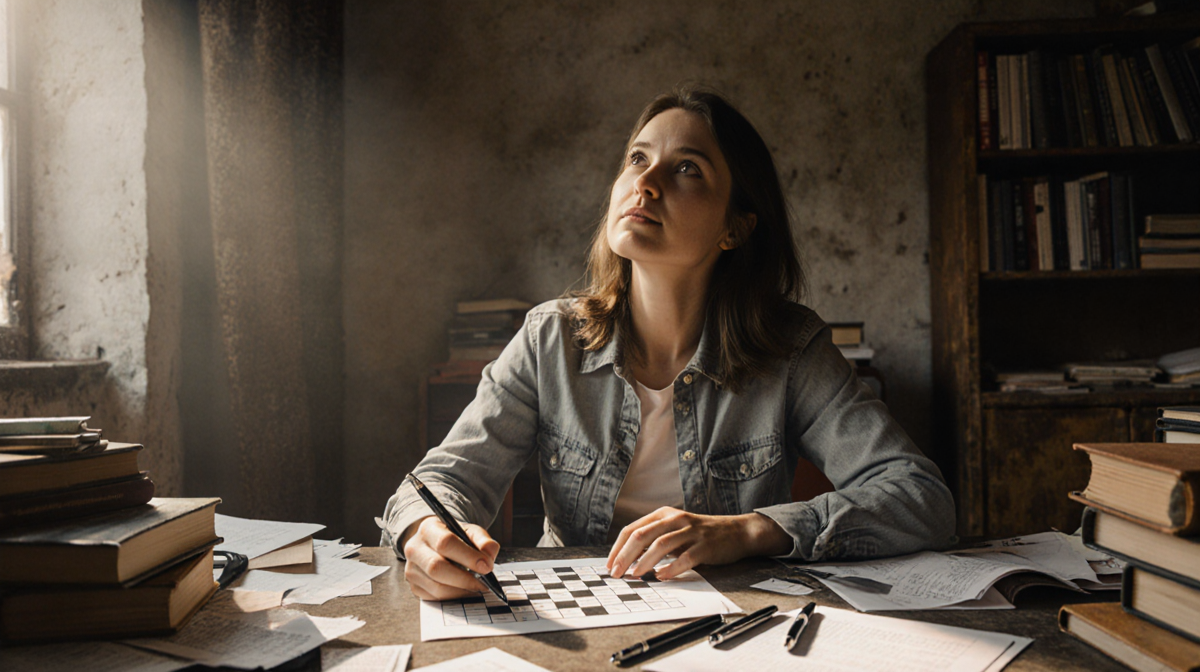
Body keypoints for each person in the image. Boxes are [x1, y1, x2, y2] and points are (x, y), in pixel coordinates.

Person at [380, 86, 955, 602]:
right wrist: (425, 535)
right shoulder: (549, 339)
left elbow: (920, 498)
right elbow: (439, 483)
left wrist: (748, 530)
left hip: (734, 626)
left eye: (686, 169)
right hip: (569, 621)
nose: (645, 184)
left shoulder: (790, 351)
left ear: (736, 227)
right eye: (637, 159)